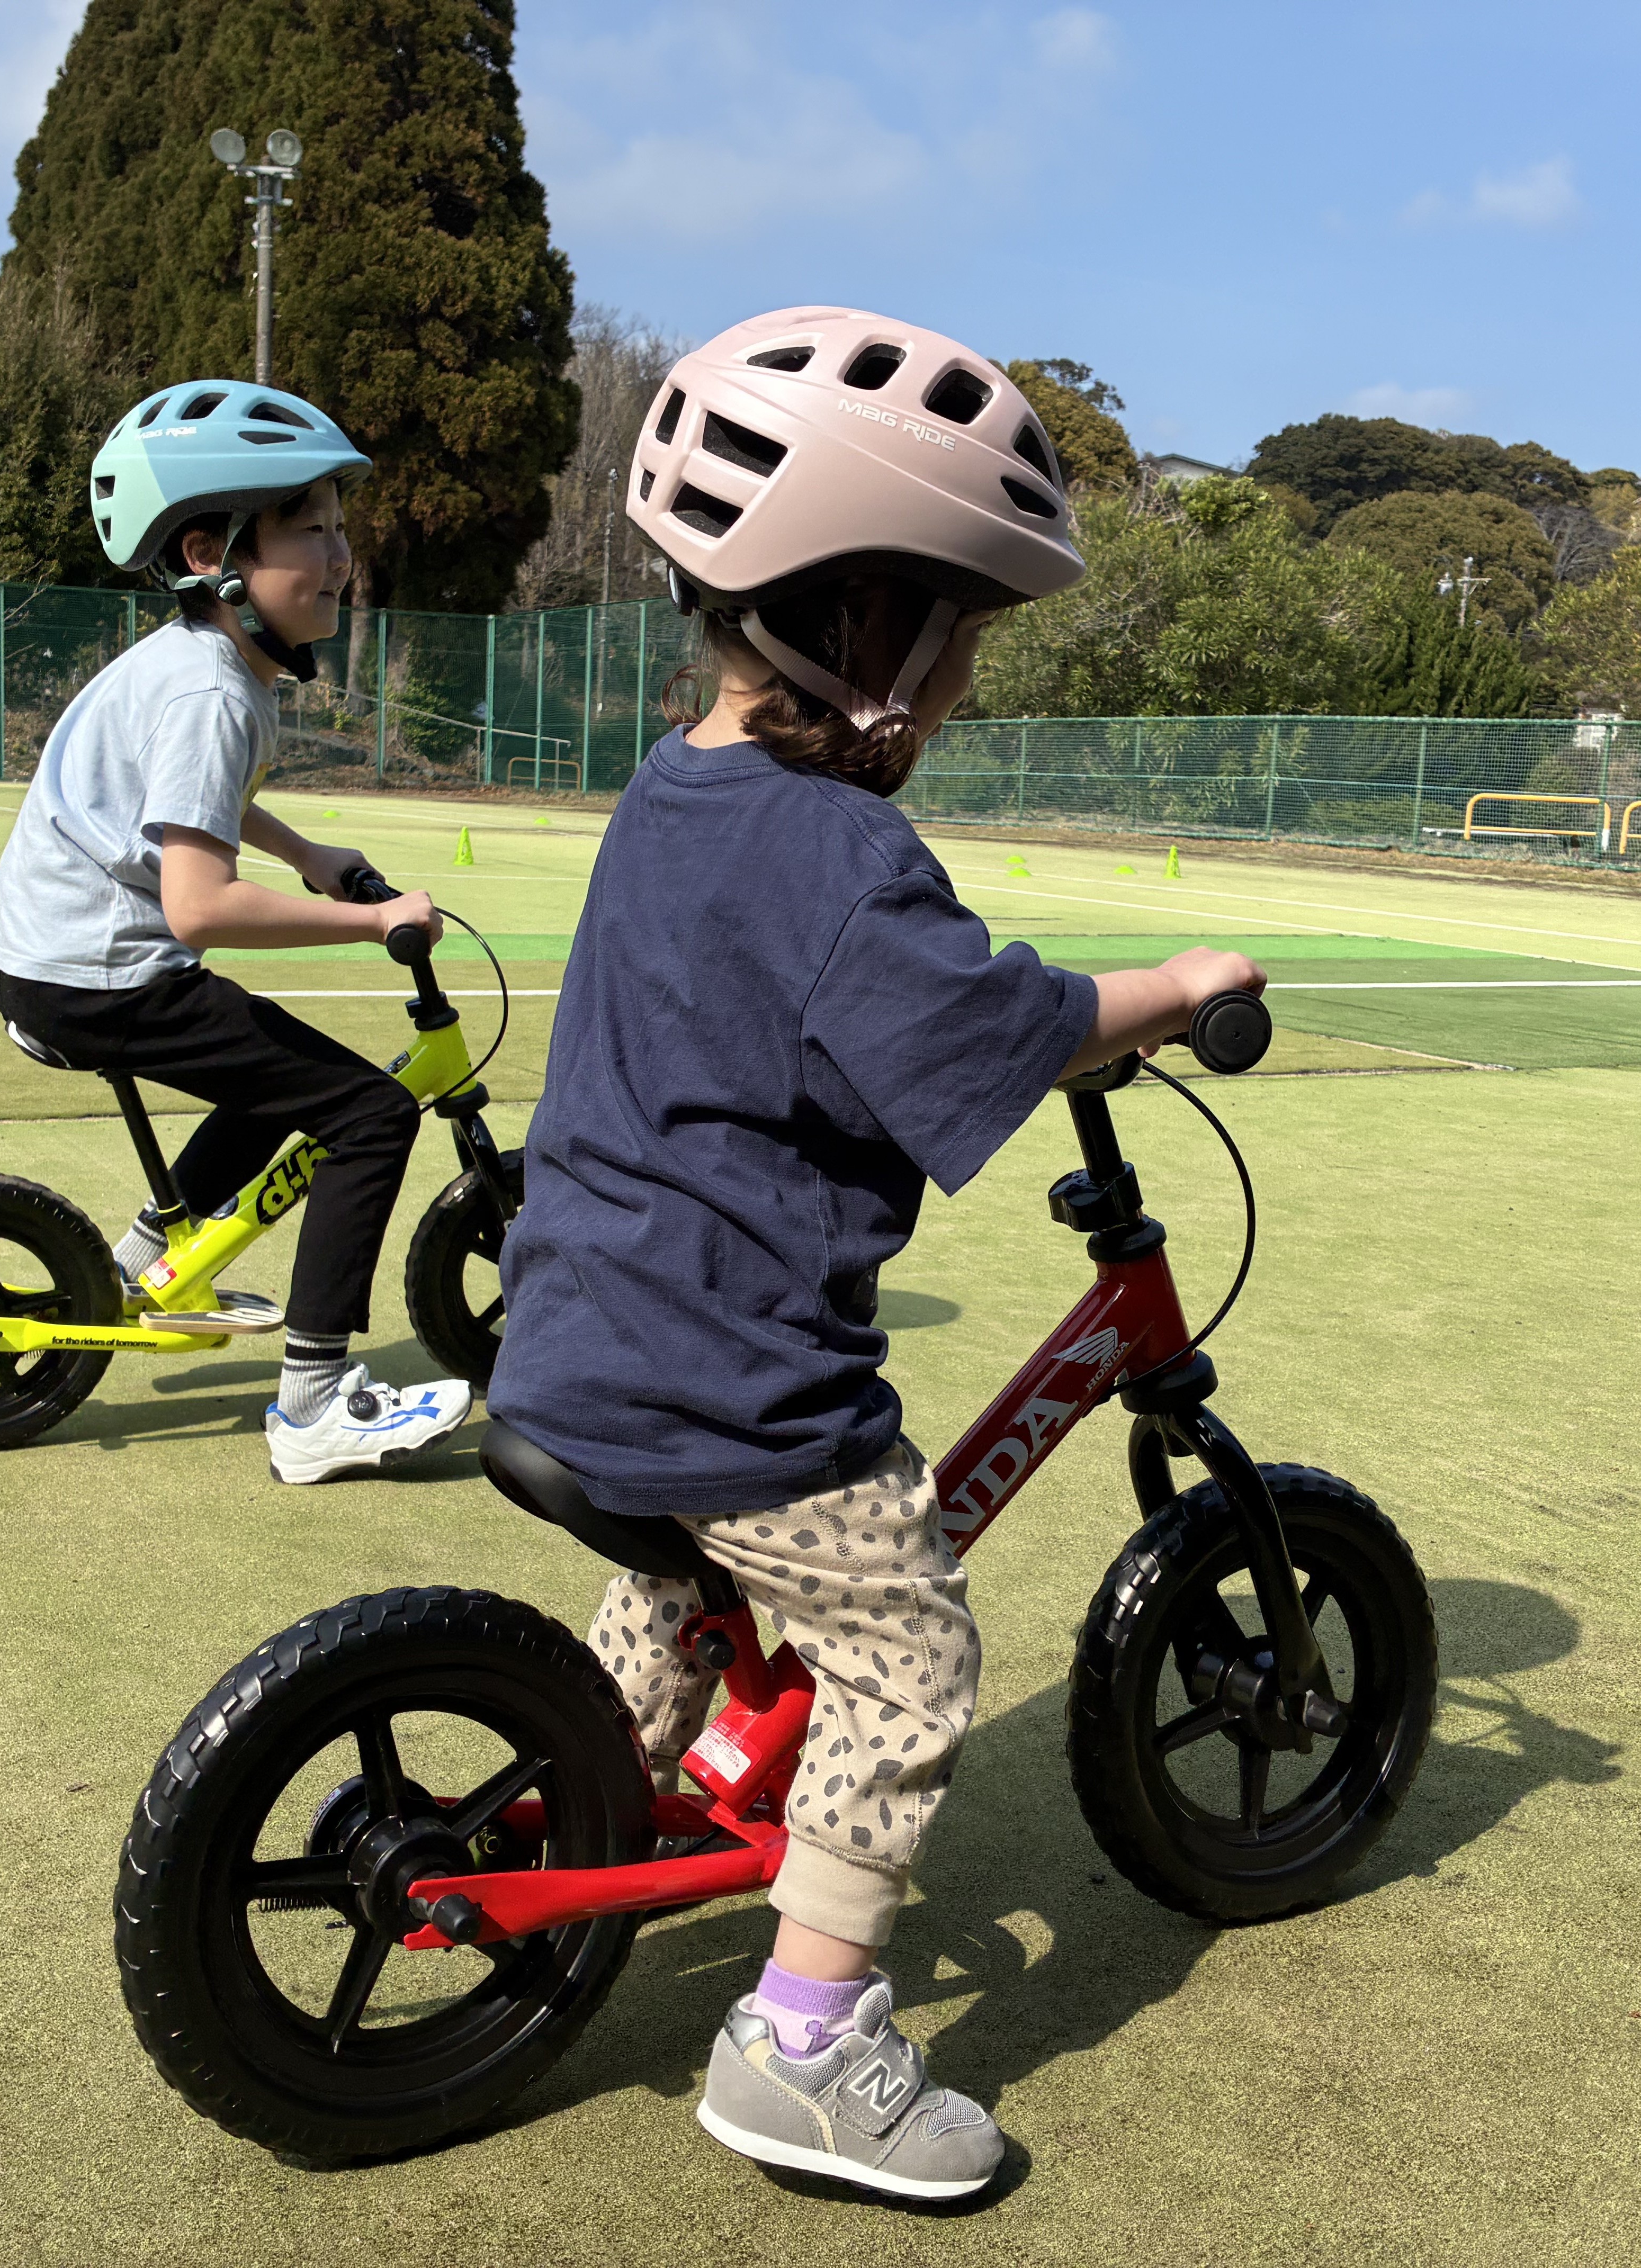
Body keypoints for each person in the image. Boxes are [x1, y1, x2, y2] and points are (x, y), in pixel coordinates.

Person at [488, 310, 1266, 2199]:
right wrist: (1169, 988)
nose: (970, 686)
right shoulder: (844, 861)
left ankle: (588, 1790)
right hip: (726, 1370)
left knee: (689, 1580)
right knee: (904, 1644)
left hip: (575, 1339)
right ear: (865, 627)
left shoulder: (671, 796)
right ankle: (803, 2044)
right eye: (965, 638)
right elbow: (986, 1028)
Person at [0, 381, 471, 1483]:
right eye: (312, 530)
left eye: (344, 530)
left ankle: (150, 1264)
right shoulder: (212, 693)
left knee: (270, 1076)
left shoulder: (197, 668)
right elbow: (200, 908)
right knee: (372, 1112)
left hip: (53, 961)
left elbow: (194, 798)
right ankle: (313, 1407)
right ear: (212, 550)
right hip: (102, 973)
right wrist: (369, 917)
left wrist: (304, 854)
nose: (342, 557)